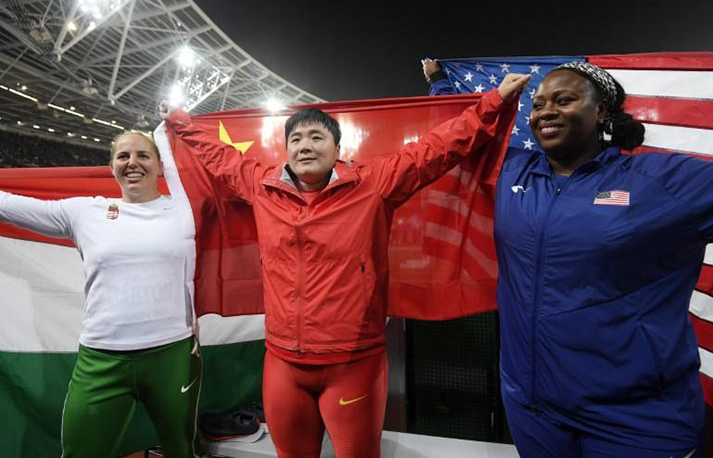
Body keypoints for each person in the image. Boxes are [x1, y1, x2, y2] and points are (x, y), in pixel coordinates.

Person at [159, 72, 530, 458]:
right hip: (283, 364)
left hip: (354, 366)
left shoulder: (374, 184)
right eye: (296, 139)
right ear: (285, 150)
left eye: (317, 137)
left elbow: (436, 150)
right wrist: (181, 123)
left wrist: (494, 103)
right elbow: (220, 158)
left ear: (337, 148)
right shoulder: (261, 186)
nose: (305, 146)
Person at [492, 62, 713, 457]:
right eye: (537, 105)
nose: (545, 112)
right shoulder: (510, 172)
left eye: (564, 100)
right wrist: (439, 84)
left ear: (601, 111)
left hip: (636, 420)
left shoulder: (661, 181)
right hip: (533, 410)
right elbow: (460, 139)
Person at [0, 131, 201, 458]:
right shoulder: (84, 212)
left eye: (143, 155)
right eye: (123, 157)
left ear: (161, 166)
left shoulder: (187, 211)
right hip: (102, 359)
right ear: (111, 167)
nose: (132, 163)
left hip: (172, 355)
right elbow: (7, 206)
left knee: (181, 450)